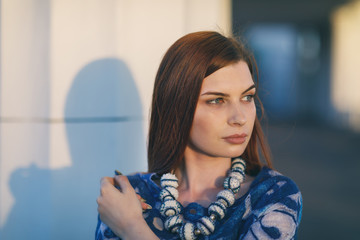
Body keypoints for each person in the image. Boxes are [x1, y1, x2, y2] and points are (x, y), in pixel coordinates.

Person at [95, 31, 302, 240]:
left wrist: (132, 228)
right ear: (176, 107)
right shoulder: (128, 197)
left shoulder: (272, 195)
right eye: (217, 100)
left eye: (247, 97)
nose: (240, 118)